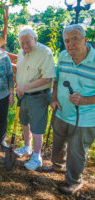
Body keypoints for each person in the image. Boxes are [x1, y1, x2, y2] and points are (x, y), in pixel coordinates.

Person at [50, 24, 95, 195]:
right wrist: (53, 98)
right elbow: (57, 80)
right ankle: (58, 166)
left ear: (85, 39)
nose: (70, 44)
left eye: (75, 39)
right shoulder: (63, 56)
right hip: (62, 111)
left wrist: (85, 100)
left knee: (76, 151)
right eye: (67, 41)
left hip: (86, 118)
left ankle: (74, 182)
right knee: (58, 143)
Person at [14, 27, 55, 171]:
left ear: (35, 40)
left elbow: (48, 78)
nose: (24, 46)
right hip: (23, 95)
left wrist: (26, 86)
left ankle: (37, 157)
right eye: (22, 43)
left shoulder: (45, 53)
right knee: (25, 122)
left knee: (37, 127)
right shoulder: (21, 53)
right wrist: (20, 87)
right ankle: (27, 147)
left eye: (27, 42)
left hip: (38, 96)